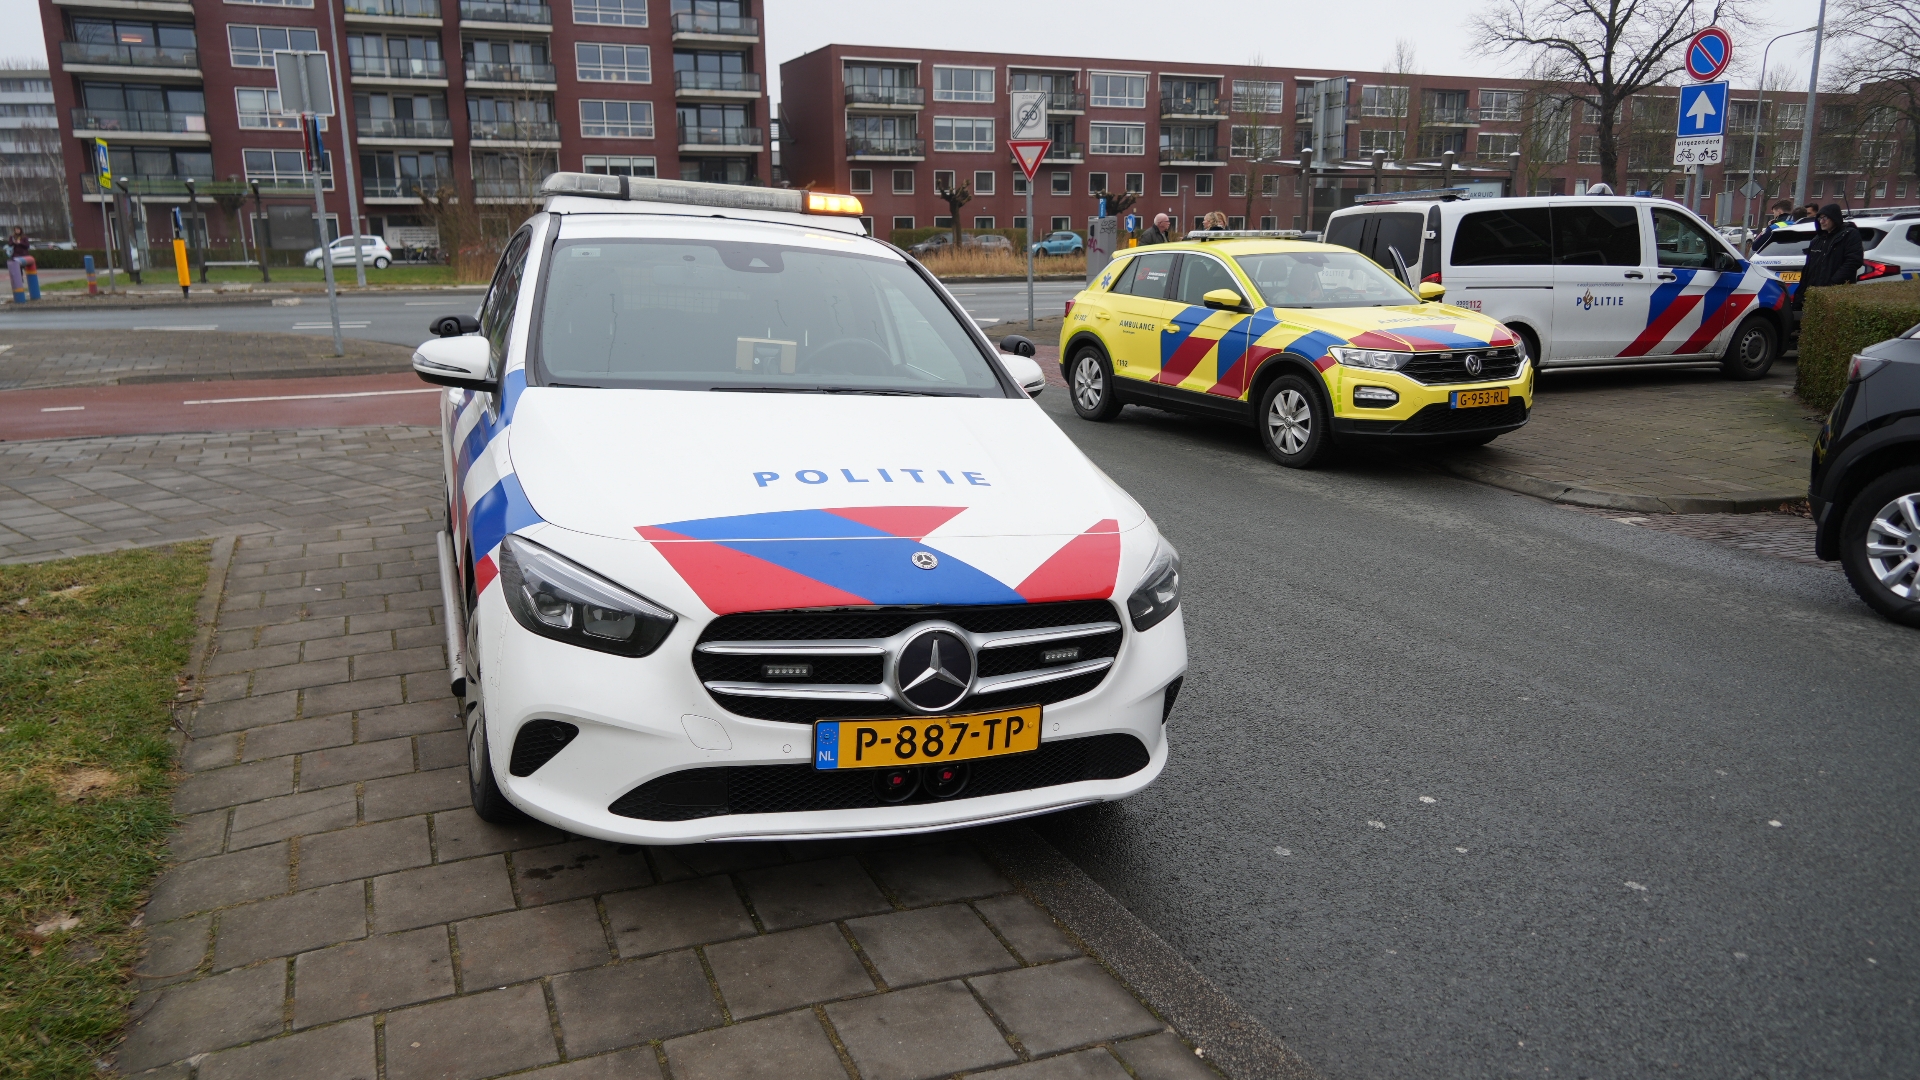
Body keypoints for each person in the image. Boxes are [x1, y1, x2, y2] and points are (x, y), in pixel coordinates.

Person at [1803, 203, 1864, 289]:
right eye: (1820, 218)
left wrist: (1833, 282)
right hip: (1814, 292)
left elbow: (1853, 261)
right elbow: (1808, 268)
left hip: (1836, 291)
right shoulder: (1818, 239)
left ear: (1834, 218)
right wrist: (1801, 292)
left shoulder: (1849, 234)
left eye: (1825, 218)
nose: (1821, 221)